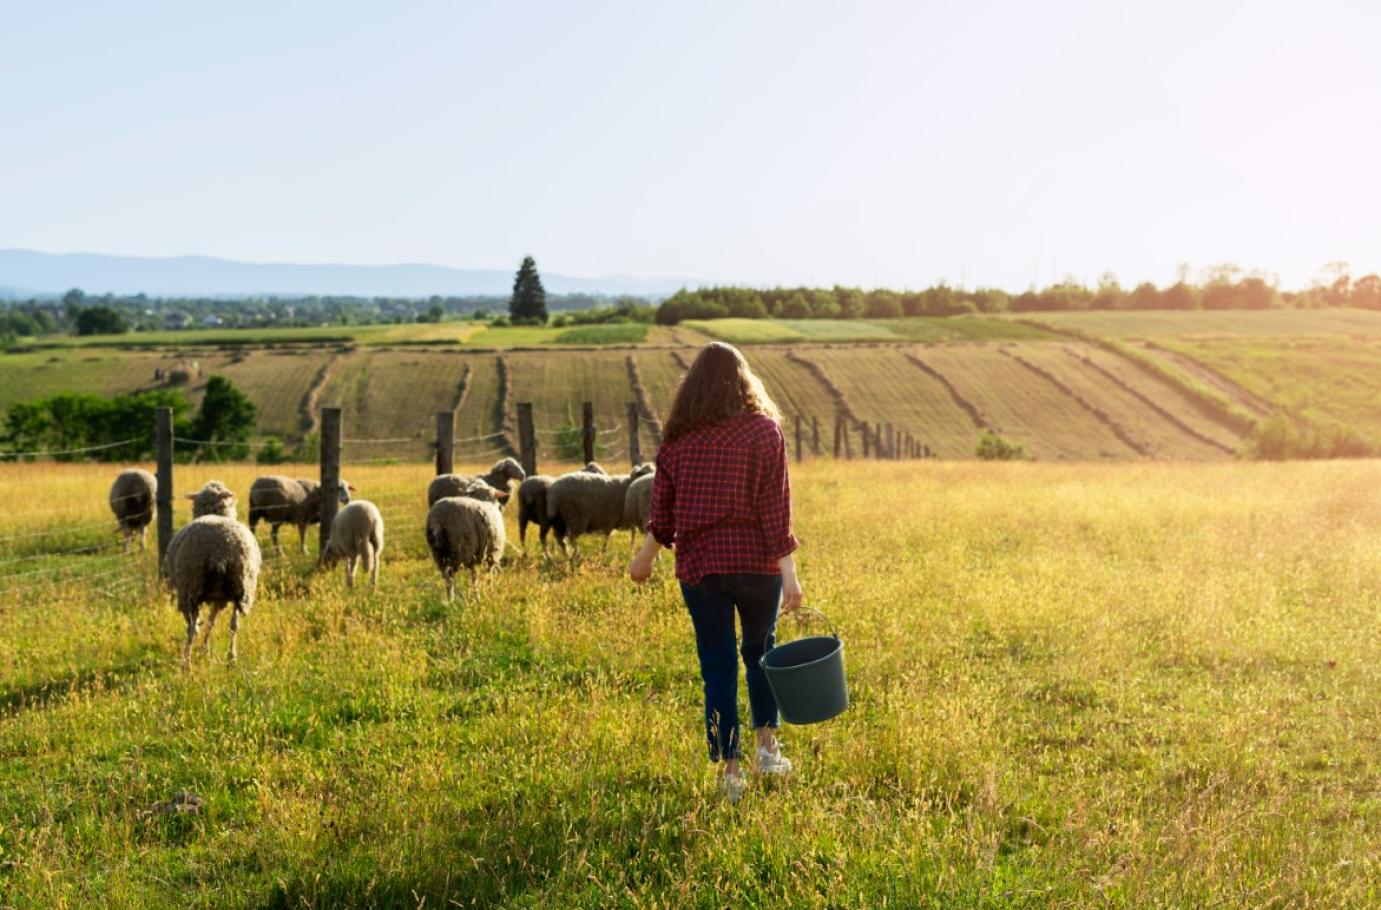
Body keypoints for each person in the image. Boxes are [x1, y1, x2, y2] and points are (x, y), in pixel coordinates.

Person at [629, 342, 804, 803]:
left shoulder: (678, 439)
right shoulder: (765, 433)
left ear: (693, 385)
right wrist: (789, 574)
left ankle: (731, 773)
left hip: (701, 569)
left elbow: (663, 517)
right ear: (744, 380)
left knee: (718, 667)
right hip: (756, 566)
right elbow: (775, 510)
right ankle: (767, 749)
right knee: (761, 653)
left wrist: (644, 559)